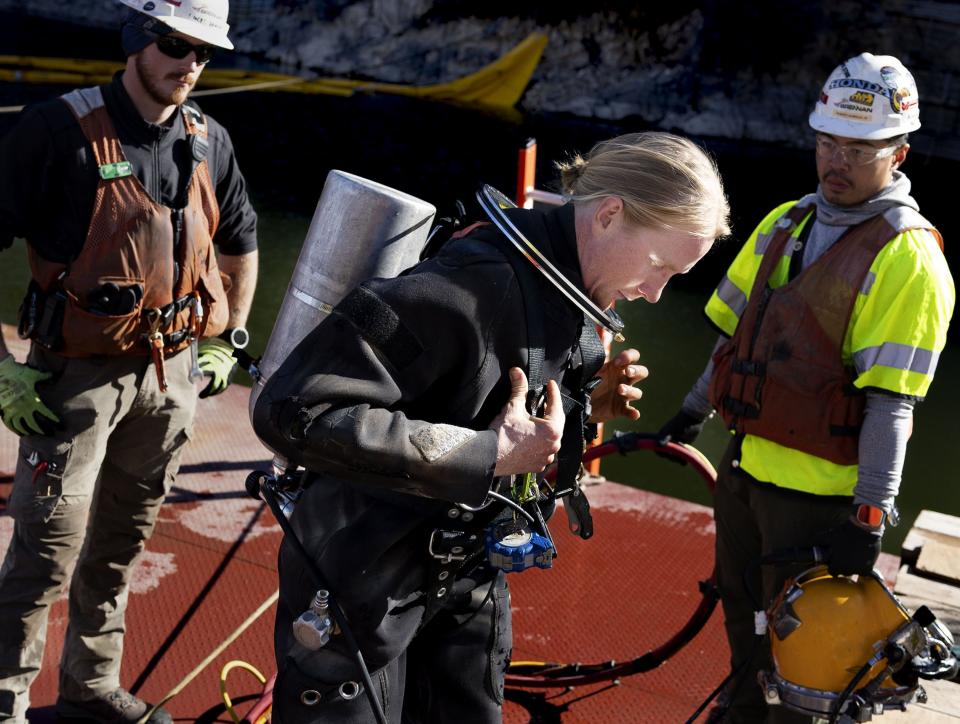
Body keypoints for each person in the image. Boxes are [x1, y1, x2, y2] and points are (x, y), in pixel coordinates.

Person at [252, 131, 730, 723]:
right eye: (659, 265)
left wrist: (584, 408)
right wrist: (488, 452)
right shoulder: (469, 285)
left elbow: (486, 399)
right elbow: (296, 410)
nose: (657, 294)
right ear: (609, 215)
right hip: (362, 576)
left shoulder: (567, 294)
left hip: (466, 573)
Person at [658, 52, 955, 723]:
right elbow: (735, 343)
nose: (836, 161)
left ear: (899, 153)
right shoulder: (784, 224)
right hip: (743, 475)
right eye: (827, 143)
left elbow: (892, 404)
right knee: (744, 628)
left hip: (819, 508)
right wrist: (688, 412)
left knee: (808, 664)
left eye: (859, 148)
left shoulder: (908, 259)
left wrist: (871, 517)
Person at [0, 1, 258, 721]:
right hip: (72, 379)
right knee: (45, 555)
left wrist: (223, 340)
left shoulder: (211, 142)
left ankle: (90, 688)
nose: (191, 65)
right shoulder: (56, 132)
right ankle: (4, 702)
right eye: (177, 45)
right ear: (137, 37)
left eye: (206, 53)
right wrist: (1, 368)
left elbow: (241, 242)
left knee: (120, 543)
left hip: (172, 381)